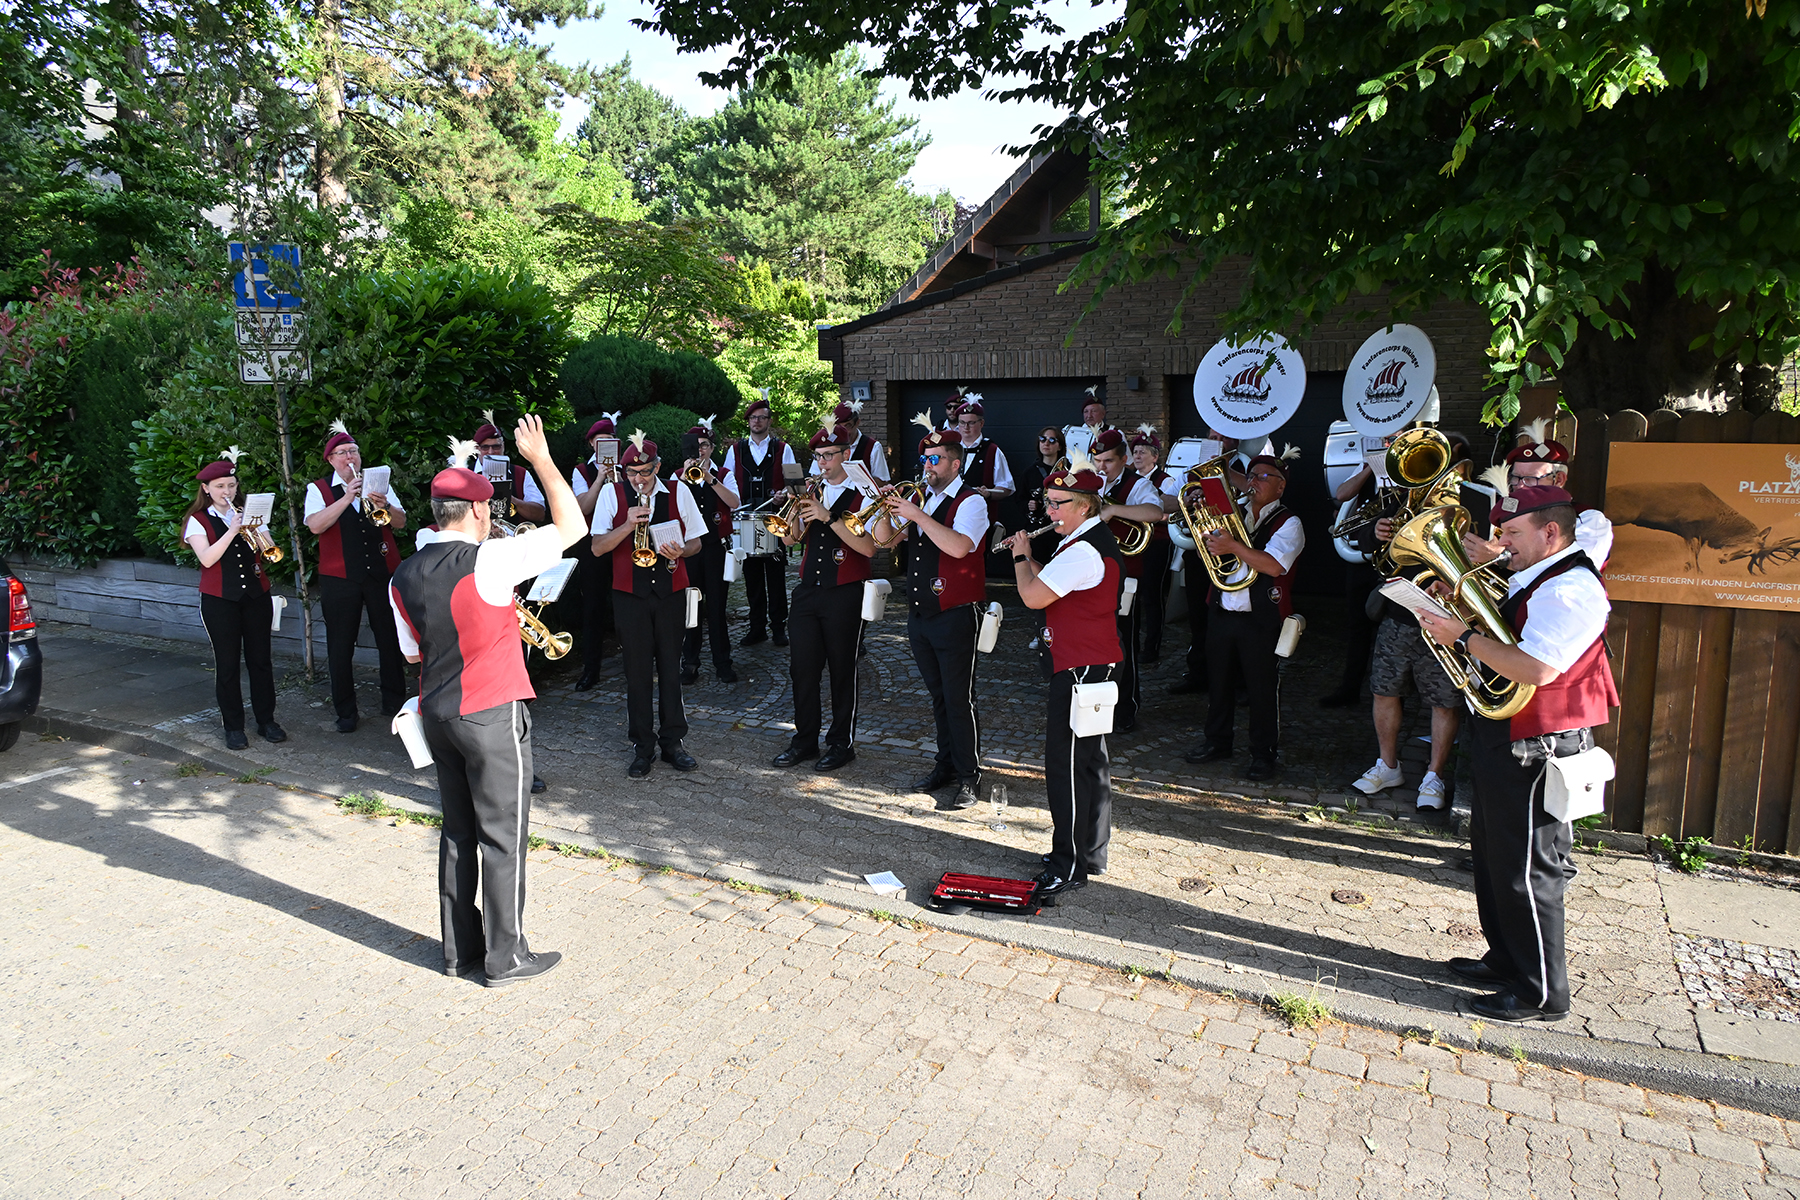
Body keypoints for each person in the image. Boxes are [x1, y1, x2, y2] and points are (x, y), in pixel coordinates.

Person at [388, 414, 586, 987]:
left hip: (438, 713)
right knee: (504, 834)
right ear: (477, 510)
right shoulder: (491, 559)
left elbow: (411, 653)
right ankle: (506, 957)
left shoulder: (401, 574)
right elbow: (572, 526)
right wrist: (541, 459)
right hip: (492, 711)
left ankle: (460, 953)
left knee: (457, 832)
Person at [1417, 485, 1616, 1022]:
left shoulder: (1570, 588)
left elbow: (1536, 668)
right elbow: (1508, 634)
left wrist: (1461, 637)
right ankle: (1507, 960)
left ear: (1551, 532)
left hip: (1539, 743)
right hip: (1509, 734)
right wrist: (1456, 607)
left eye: (1511, 533)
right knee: (1494, 858)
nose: (1502, 544)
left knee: (1528, 870)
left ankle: (1540, 993)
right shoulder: (1536, 576)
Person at [1005, 451, 1123, 900]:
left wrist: (1020, 556)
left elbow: (1033, 597)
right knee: (1090, 763)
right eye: (1048, 502)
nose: (1049, 510)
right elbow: (1053, 583)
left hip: (1081, 668)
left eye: (1058, 504)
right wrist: (1033, 560)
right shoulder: (1081, 541)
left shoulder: (1085, 548)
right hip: (1090, 663)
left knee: (1067, 767)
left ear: (1085, 505)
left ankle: (1067, 865)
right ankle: (1090, 852)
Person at [1350, 434, 1489, 811]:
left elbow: (1483, 554)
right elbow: (1363, 539)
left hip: (1446, 616)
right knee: (1384, 690)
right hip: (1399, 613)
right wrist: (1375, 531)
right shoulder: (1401, 497)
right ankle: (1387, 765)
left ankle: (1434, 775)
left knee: (1443, 700)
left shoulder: (1472, 503)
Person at [877, 424, 989, 809]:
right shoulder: (920, 499)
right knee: (939, 697)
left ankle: (970, 777)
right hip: (921, 613)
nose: (927, 465)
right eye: (925, 459)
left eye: (935, 459)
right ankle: (946, 765)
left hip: (955, 613)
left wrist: (917, 514)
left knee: (960, 699)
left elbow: (960, 547)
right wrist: (885, 508)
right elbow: (885, 540)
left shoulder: (971, 502)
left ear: (955, 464)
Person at [590, 431, 706, 778]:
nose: (639, 479)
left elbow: (697, 542)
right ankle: (642, 747)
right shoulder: (611, 494)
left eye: (645, 472)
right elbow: (597, 547)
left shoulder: (679, 491)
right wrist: (627, 525)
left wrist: (682, 550)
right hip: (630, 595)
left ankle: (673, 743)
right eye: (632, 473)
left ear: (658, 467)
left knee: (671, 668)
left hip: (671, 592)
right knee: (637, 672)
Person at [1186, 447, 1305, 781]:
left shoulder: (1289, 522)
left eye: (1262, 477)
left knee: (1261, 688)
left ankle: (1263, 754)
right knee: (1218, 682)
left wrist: (1233, 547)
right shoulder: (1232, 512)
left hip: (1261, 616)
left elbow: (1274, 565)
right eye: (1250, 476)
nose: (1253, 482)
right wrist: (1198, 509)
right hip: (1222, 609)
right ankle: (1217, 741)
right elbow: (1205, 544)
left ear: (1280, 486)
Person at [771, 421, 876, 772]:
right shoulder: (811, 490)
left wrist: (827, 516)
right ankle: (805, 740)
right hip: (807, 591)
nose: (822, 463)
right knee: (802, 669)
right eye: (818, 456)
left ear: (846, 455)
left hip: (845, 591)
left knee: (842, 670)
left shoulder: (863, 493)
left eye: (829, 455)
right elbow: (790, 540)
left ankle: (841, 744)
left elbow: (869, 548)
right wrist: (795, 508)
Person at [305, 420, 409, 733]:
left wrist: (384, 504)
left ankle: (394, 703)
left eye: (353, 451)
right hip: (339, 577)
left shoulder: (379, 482)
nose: (350, 457)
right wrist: (346, 497)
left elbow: (401, 523)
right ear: (331, 459)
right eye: (342, 453)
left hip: (380, 572)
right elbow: (315, 525)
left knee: (389, 639)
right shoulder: (318, 489)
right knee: (340, 645)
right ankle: (346, 712)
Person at [183, 452, 284, 750]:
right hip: (220, 600)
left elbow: (268, 548)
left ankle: (266, 720)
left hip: (256, 596)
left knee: (261, 661)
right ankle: (234, 727)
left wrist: (258, 529)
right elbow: (207, 558)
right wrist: (232, 530)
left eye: (231, 485)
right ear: (206, 489)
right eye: (219, 487)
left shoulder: (249, 513)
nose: (226, 491)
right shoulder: (197, 521)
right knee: (227, 664)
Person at [1091, 427, 1167, 732]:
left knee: (1122, 643)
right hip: (1089, 574)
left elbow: (1155, 512)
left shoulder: (1138, 484)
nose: (1102, 467)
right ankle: (1095, 706)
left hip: (1124, 576)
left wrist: (1113, 510)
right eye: (1098, 461)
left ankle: (1125, 708)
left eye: (1108, 461)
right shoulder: (1090, 481)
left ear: (1125, 460)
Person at [1163, 427, 1248, 696]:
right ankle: (1199, 674)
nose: (1218, 442)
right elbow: (1163, 502)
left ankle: (1239, 680)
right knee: (1199, 616)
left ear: (1236, 441)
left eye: (1224, 437)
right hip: (1199, 550)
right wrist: (1186, 500)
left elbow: (1255, 495)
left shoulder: (1247, 467)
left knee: (1235, 619)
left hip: (1237, 553)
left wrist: (1226, 476)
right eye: (1213, 438)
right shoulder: (1191, 471)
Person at [1463, 419, 1614, 569]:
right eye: (1516, 478)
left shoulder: (1589, 520)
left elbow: (1573, 566)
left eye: (1530, 479)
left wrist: (1498, 557)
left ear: (1559, 479)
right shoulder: (1505, 513)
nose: (1520, 485)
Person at [721, 395, 796, 647]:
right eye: (753, 418)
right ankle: (757, 627)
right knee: (752, 577)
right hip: (745, 520)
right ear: (748, 421)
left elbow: (793, 483)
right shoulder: (735, 450)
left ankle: (778, 627)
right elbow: (727, 483)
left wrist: (784, 494)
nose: (757, 422)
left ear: (769, 421)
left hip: (774, 519)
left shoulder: (783, 449)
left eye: (762, 417)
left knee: (776, 576)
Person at [674, 417, 740, 685]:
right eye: (695, 445)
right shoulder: (677, 476)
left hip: (715, 549)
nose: (700, 450)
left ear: (712, 448)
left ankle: (722, 662)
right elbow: (670, 508)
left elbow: (734, 502)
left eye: (704, 445)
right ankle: (690, 663)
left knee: (717, 607)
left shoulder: (724, 474)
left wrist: (710, 479)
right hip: (690, 550)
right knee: (691, 607)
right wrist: (683, 478)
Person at [570, 414, 621, 691]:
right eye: (600, 441)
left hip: (623, 542)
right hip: (594, 547)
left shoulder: (628, 466)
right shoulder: (581, 471)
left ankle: (637, 660)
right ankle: (591, 669)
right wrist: (601, 477)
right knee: (592, 607)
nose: (604, 445)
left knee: (628, 602)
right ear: (592, 444)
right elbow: (584, 508)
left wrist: (619, 476)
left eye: (609, 441)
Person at [1129, 424, 1174, 663]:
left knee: (1152, 596)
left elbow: (1175, 512)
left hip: (1157, 543)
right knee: (1132, 594)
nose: (1137, 455)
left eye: (1143, 452)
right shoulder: (1129, 479)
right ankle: (1132, 644)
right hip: (1133, 543)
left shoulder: (1166, 482)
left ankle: (1151, 648)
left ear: (1155, 457)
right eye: (1135, 451)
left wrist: (1153, 515)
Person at [473, 412, 547, 527]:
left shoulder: (521, 474)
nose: (491, 452)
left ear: (503, 446)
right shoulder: (464, 473)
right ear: (477, 449)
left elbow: (539, 514)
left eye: (496, 446)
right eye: (485, 447)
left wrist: (511, 499)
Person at [810, 400, 890, 484]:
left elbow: (882, 481)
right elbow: (815, 476)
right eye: (839, 427)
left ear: (857, 423)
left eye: (847, 426)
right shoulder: (827, 444)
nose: (843, 432)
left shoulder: (873, 447)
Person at [953, 398, 1015, 503]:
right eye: (962, 422)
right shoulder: (951, 448)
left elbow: (1006, 487)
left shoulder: (992, 451)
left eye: (971, 423)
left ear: (981, 423)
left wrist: (989, 494)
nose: (966, 427)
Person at [1022, 426, 1066, 529]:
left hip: (1062, 527)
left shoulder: (1068, 471)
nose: (1046, 443)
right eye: (1042, 439)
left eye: (1052, 440)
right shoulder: (1029, 472)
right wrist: (1029, 505)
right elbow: (1020, 499)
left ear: (1060, 446)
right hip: (1037, 527)